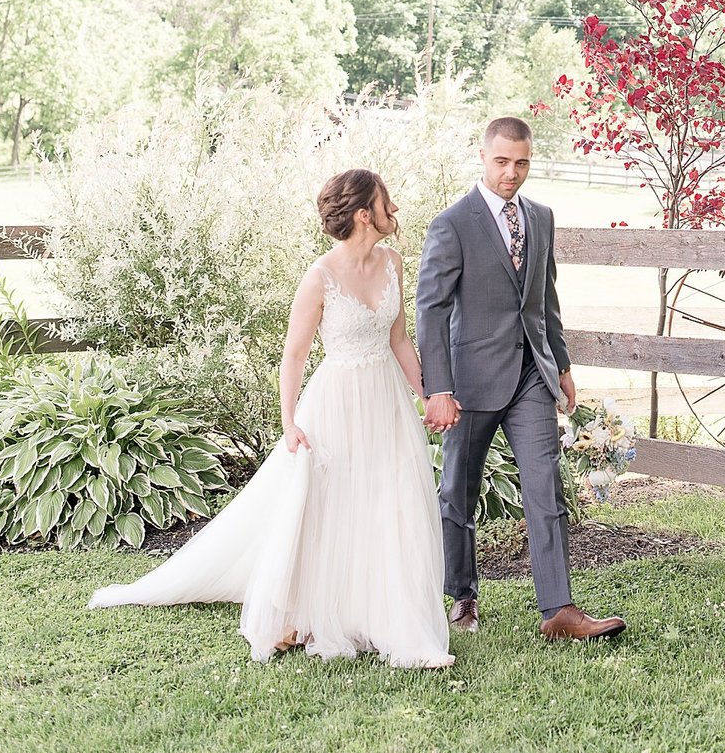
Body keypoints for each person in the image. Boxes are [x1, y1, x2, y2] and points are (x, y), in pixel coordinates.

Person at [89, 169, 454, 669]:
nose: (396, 208)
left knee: (390, 499)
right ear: (365, 214)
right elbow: (294, 354)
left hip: (386, 400)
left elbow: (398, 340)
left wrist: (430, 394)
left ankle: (391, 617)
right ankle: (311, 611)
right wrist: (289, 422)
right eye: (387, 201)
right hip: (337, 402)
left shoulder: (392, 262)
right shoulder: (319, 277)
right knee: (331, 504)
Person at [416, 115, 626, 642]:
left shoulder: (542, 217)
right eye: (502, 161)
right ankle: (462, 596)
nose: (512, 173)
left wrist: (563, 363)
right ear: (484, 158)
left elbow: (544, 297)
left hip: (532, 373)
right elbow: (430, 311)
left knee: (545, 488)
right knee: (458, 494)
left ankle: (558, 610)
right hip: (469, 382)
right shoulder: (452, 224)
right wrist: (438, 388)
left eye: (522, 162)